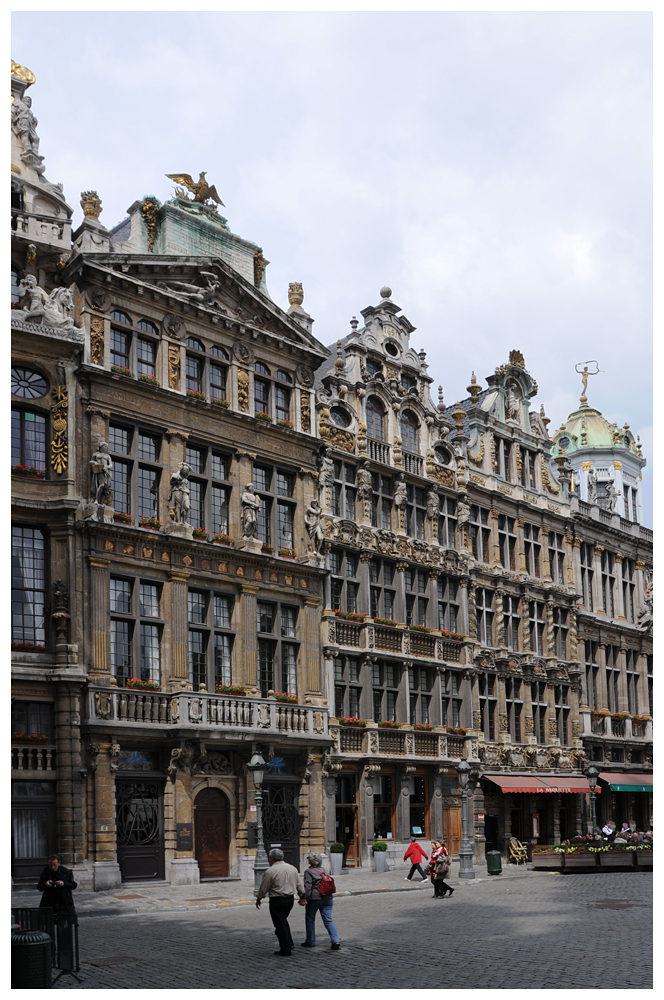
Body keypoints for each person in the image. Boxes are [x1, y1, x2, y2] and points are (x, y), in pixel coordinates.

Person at [256, 848, 305, 957]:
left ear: (271, 858)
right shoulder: (292, 868)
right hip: (289, 899)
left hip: (277, 900)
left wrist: (259, 898)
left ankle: (285, 948)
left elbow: (264, 887)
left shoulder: (270, 871)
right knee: (283, 921)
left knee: (280, 924)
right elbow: (299, 884)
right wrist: (302, 896)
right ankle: (289, 943)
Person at [300, 852, 341, 950]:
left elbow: (308, 887)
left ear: (311, 860)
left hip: (314, 899)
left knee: (310, 919)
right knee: (328, 919)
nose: (307, 860)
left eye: (308, 858)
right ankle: (335, 940)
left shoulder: (308, 872)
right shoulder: (325, 870)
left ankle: (310, 940)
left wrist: (304, 897)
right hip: (327, 898)